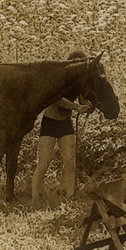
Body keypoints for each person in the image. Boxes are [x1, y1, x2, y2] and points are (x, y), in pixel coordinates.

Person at [31, 51, 93, 205]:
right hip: (50, 122)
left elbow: (83, 99)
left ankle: (70, 196)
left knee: (70, 162)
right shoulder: (58, 79)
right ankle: (36, 196)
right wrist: (77, 107)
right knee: (44, 161)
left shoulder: (78, 82)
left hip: (65, 123)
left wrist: (89, 105)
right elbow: (57, 99)